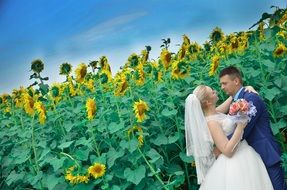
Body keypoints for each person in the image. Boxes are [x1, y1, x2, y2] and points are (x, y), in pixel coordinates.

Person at [185, 85, 274, 190]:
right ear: (208, 102)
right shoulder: (211, 123)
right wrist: (240, 127)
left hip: (245, 152)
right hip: (235, 162)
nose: (216, 91)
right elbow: (228, 151)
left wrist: (246, 88)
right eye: (212, 92)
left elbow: (232, 97)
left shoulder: (215, 112)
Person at [219, 66, 286, 190]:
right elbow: (213, 115)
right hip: (250, 160)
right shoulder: (235, 101)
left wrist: (220, 146)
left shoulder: (251, 98)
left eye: (224, 83)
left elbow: (244, 130)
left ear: (236, 81)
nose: (222, 87)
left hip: (266, 154)